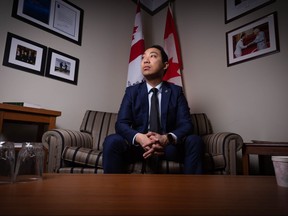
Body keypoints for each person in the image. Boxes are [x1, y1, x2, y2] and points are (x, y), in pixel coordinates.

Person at [102, 45, 203, 174]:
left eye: (153, 56)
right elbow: (121, 124)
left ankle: (194, 192)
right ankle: (112, 191)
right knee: (112, 141)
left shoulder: (176, 92)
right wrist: (140, 138)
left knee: (195, 141)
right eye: (143, 57)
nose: (145, 60)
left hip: (167, 147)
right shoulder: (132, 92)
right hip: (138, 147)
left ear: (165, 65)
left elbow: (186, 124)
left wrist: (166, 138)